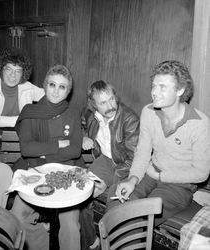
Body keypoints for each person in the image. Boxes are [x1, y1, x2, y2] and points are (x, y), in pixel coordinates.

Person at [112, 60, 210, 227]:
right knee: (118, 204)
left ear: (180, 90)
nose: (154, 92)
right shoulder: (148, 112)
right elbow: (142, 152)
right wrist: (133, 179)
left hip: (179, 185)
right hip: (150, 173)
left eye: (162, 87)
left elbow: (201, 173)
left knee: (141, 218)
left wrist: (161, 176)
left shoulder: (199, 123)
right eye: (153, 86)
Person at [11, 65, 83, 250]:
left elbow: (75, 150)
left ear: (68, 91)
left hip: (66, 173)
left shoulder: (73, 113)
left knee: (70, 225)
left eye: (62, 87)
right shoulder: (30, 111)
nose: (56, 91)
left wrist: (43, 151)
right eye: (52, 84)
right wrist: (58, 145)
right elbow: (26, 149)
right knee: (18, 217)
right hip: (36, 171)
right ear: (44, 85)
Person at [80, 80, 140, 249]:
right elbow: (83, 125)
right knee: (81, 193)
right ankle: (91, 241)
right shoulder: (90, 114)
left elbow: (134, 158)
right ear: (94, 105)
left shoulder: (129, 119)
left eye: (112, 99)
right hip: (105, 160)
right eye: (103, 103)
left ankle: (112, 244)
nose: (110, 105)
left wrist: (113, 180)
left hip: (126, 166)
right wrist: (85, 136)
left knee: (112, 201)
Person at [0, 47, 44, 128]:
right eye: (8, 69)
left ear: (23, 73)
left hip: (21, 133)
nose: (13, 75)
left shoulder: (27, 86)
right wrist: (21, 119)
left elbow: (49, 96)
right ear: (1, 69)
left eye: (18, 71)